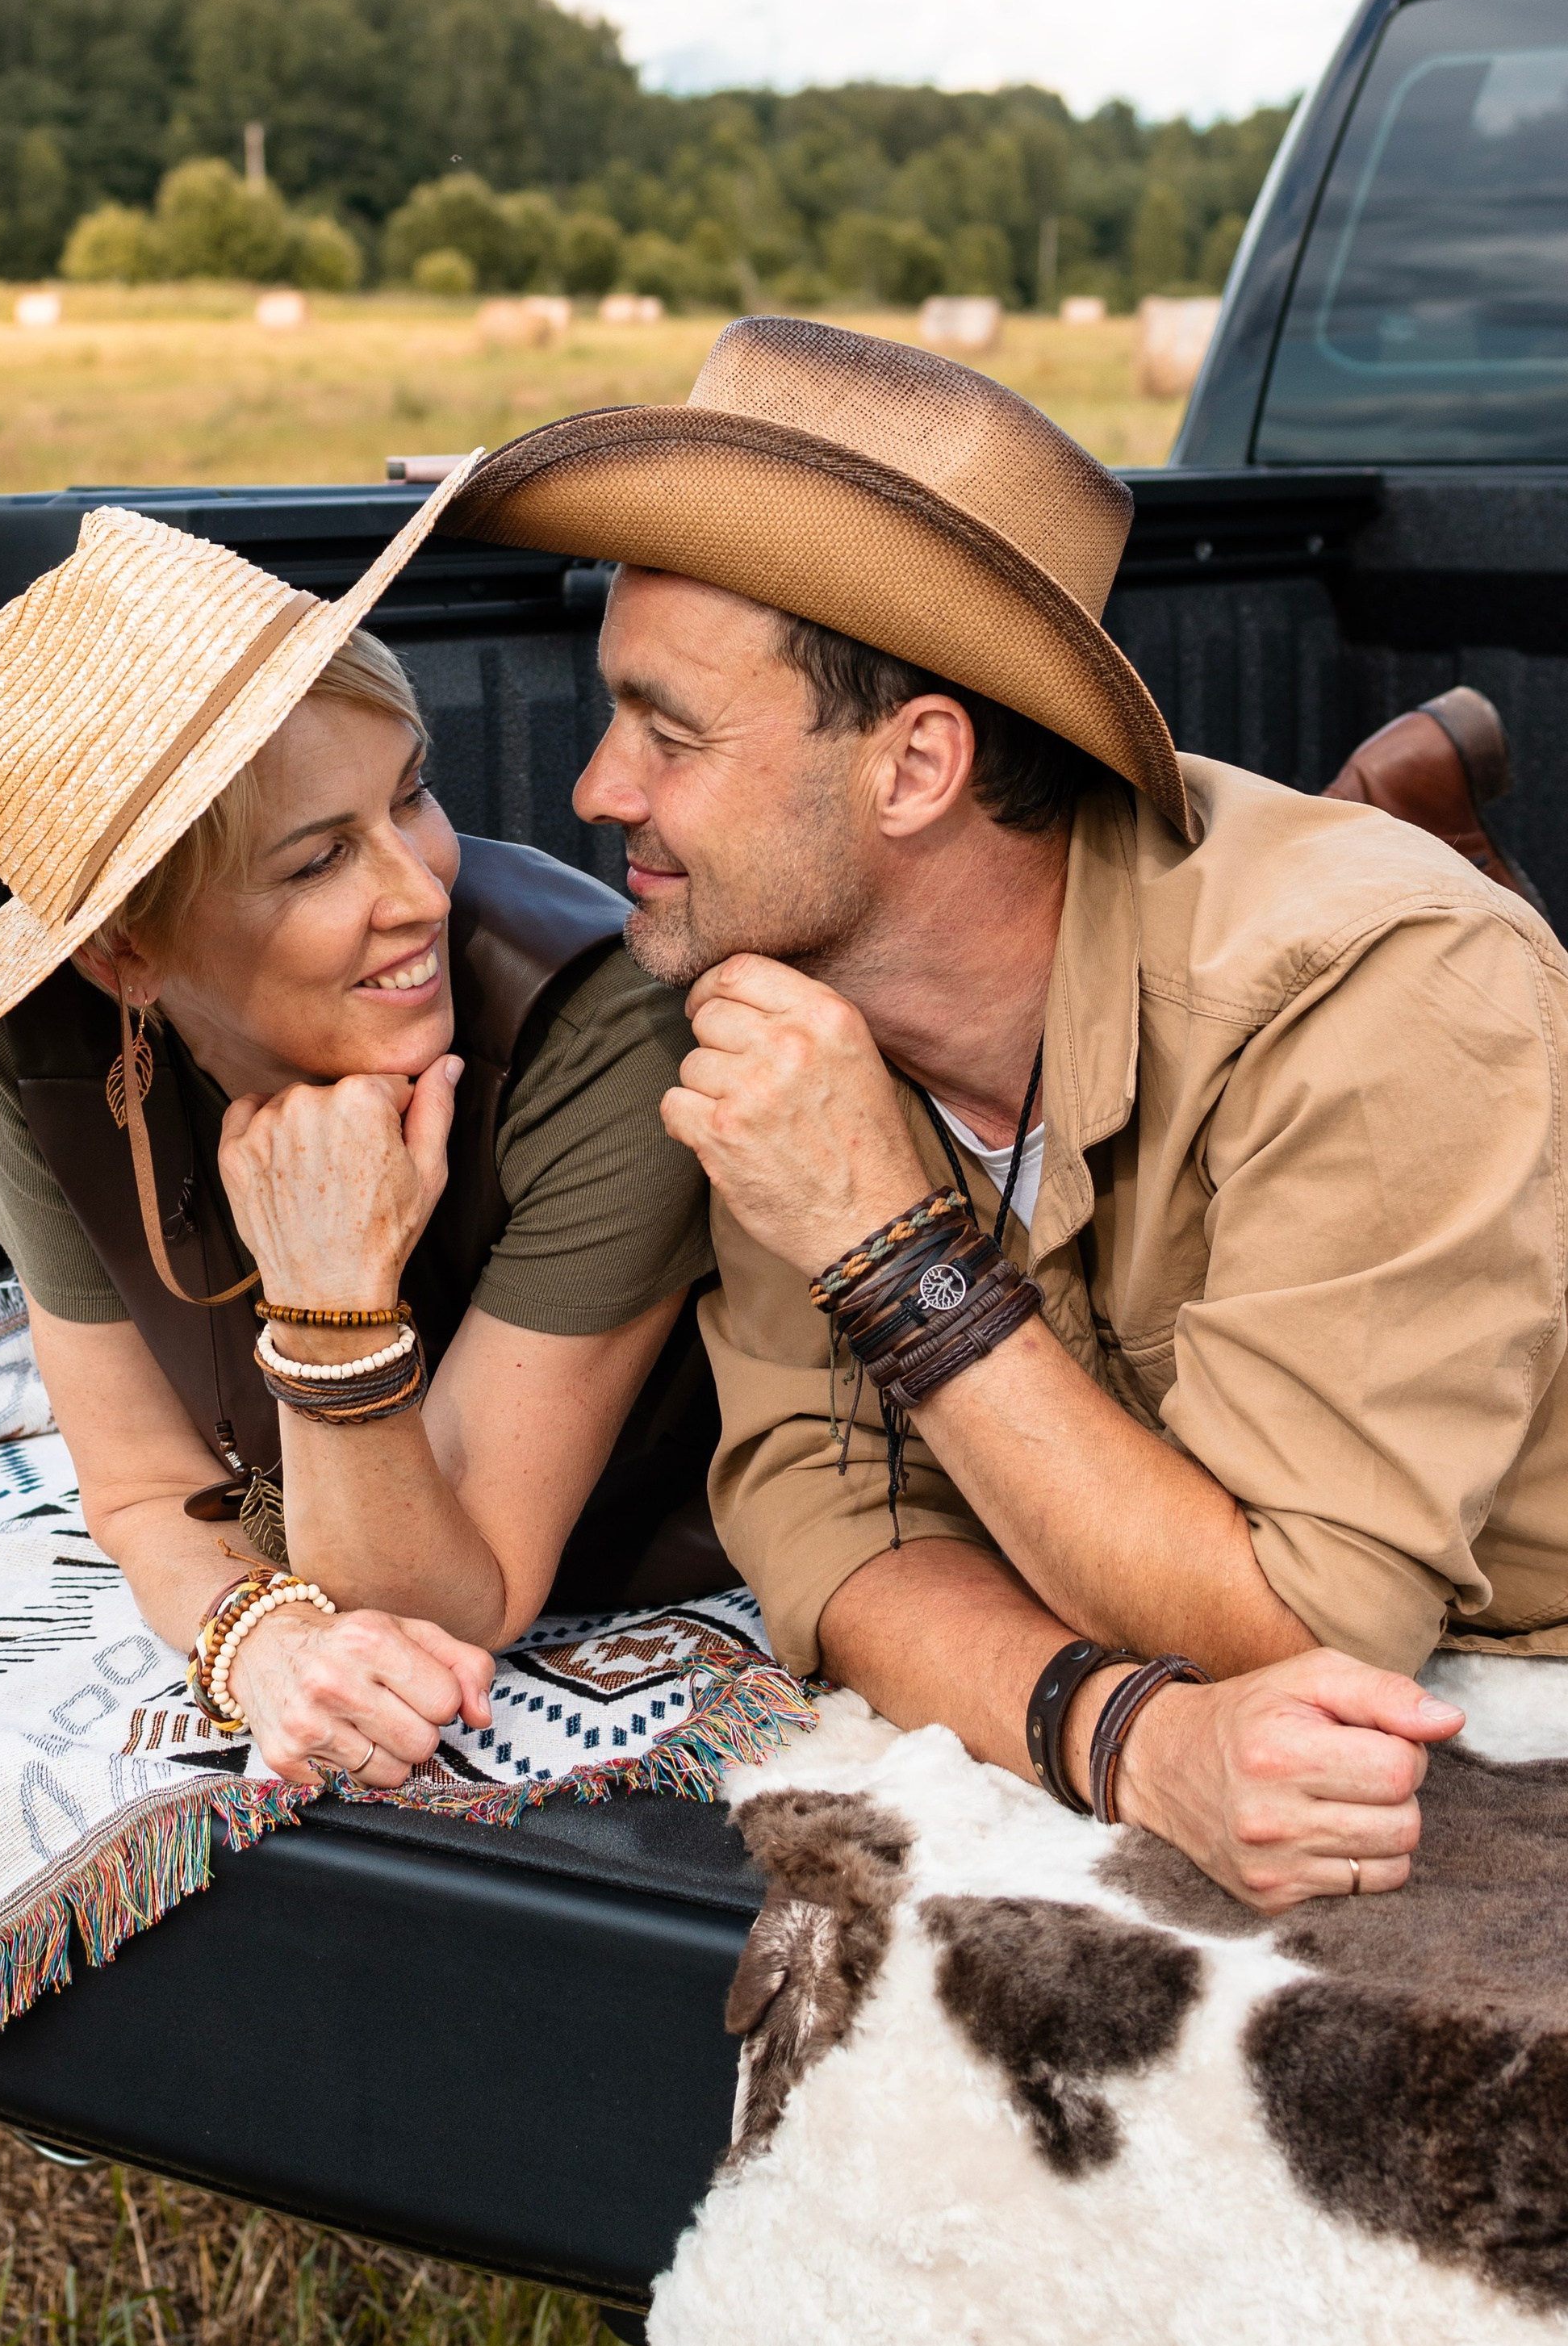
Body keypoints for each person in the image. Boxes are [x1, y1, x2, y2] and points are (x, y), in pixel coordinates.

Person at [446, 316, 1568, 1913]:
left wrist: (881, 1242)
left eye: (668, 733)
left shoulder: (1370, 976)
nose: (595, 791)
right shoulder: (782, 1010)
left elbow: (1299, 1632)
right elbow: (822, 1521)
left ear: (914, 767)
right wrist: (1115, 1735)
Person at [0, 469, 719, 1791]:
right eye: (317, 860)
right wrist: (258, 1637)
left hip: (627, 1583)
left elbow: (452, 1602)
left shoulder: (606, 1037)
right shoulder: (36, 1043)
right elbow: (143, 1490)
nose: (419, 890)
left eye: (410, 796)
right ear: (122, 957)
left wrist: (333, 1296)